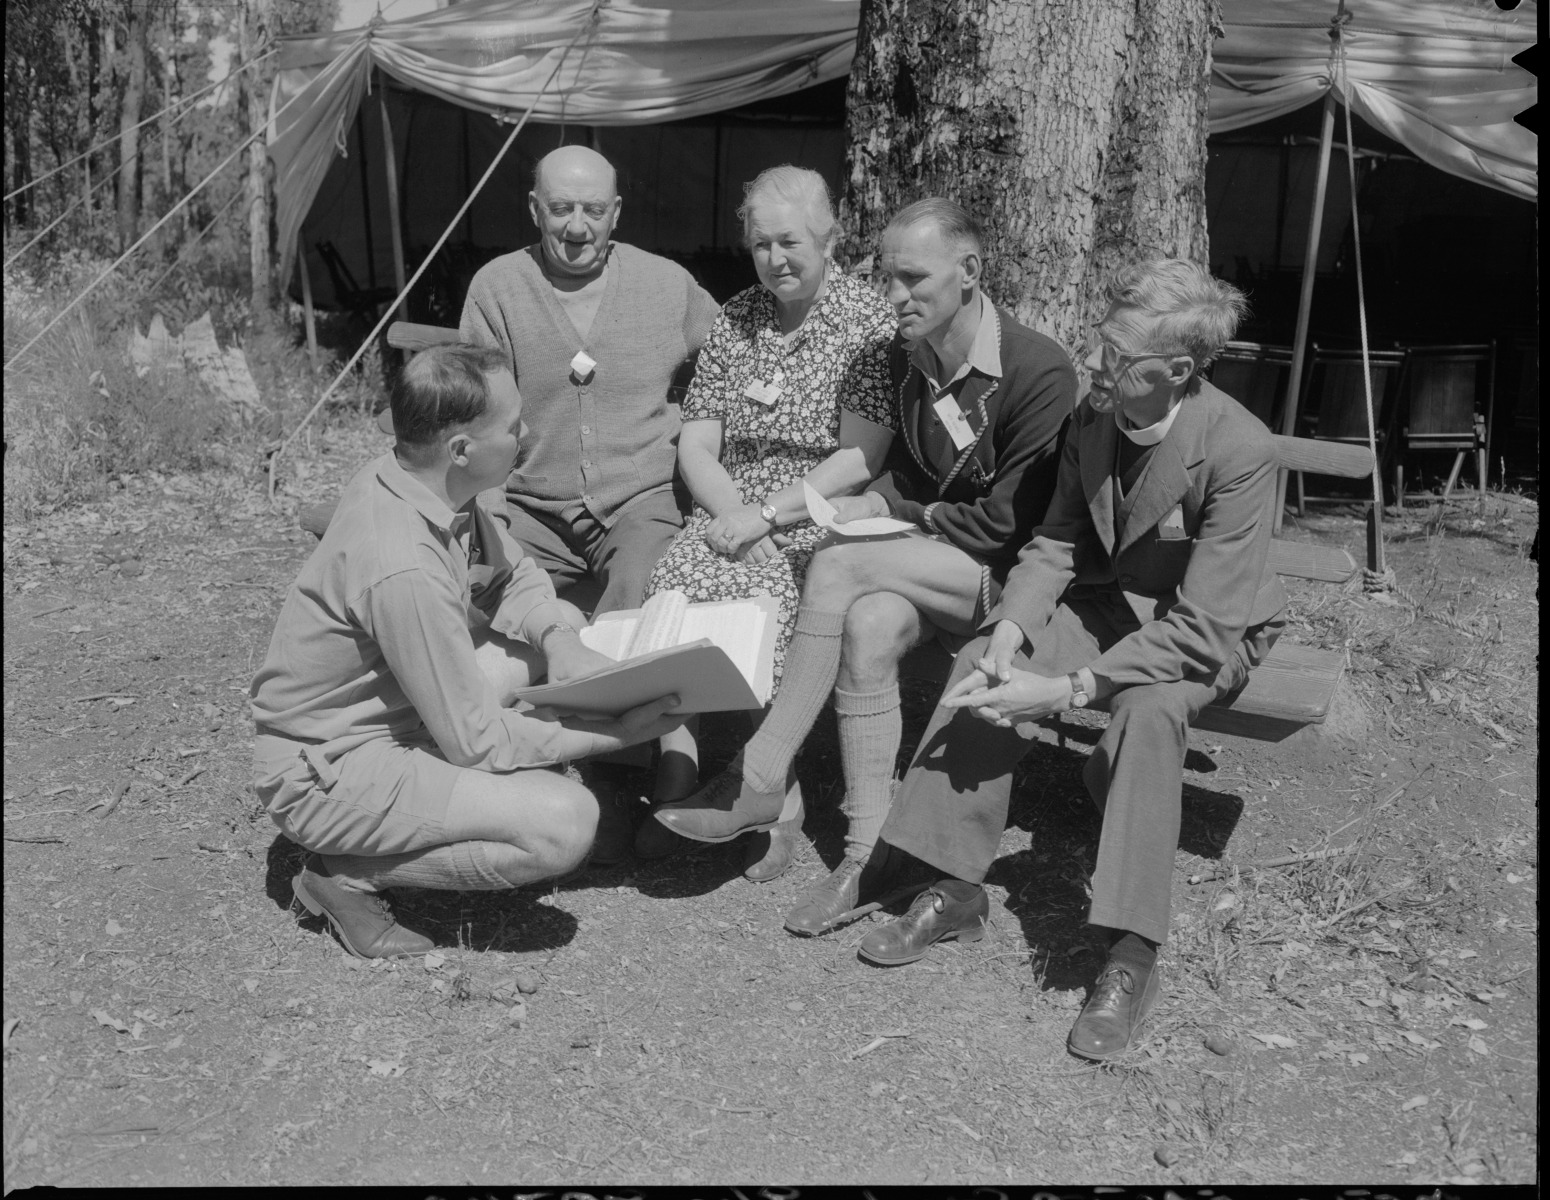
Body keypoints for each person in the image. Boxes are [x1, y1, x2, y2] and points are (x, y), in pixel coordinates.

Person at [846, 259, 1285, 1062]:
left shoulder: (1241, 451)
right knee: (983, 658)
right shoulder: (1096, 416)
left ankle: (1130, 953)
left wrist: (1068, 687)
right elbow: (1056, 540)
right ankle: (953, 883)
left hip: (1204, 633)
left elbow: (1206, 627)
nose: (1093, 362)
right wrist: (1015, 628)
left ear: (1178, 371)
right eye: (1099, 342)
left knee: (1148, 714)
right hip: (1115, 606)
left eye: (1117, 354)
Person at [654, 198, 1076, 936]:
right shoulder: (905, 358)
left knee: (840, 567)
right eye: (887, 279)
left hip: (1010, 585)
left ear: (971, 272)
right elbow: (909, 476)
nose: (895, 297)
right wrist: (870, 502)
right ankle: (867, 855)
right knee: (871, 623)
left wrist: (892, 518)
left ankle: (759, 772)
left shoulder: (1037, 370)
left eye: (914, 278)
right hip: (932, 567)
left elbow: (1013, 526)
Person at [251, 344, 683, 960]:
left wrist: (560, 641)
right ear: (462, 450)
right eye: (512, 426)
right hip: (331, 767)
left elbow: (512, 574)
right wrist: (614, 730)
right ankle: (344, 874)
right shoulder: (403, 565)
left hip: (386, 721)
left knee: (543, 630)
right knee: (564, 825)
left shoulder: (418, 482)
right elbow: (476, 743)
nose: (526, 433)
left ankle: (426, 807)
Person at [636, 165, 899, 880]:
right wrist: (730, 517)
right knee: (676, 579)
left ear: (829, 237)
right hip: (731, 505)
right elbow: (698, 441)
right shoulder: (738, 316)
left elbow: (859, 455)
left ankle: (773, 794)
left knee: (771, 591)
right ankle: (675, 773)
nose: (775, 259)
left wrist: (762, 520)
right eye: (761, 245)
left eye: (791, 242)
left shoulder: (866, 322)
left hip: (813, 506)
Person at [459, 144, 720, 815]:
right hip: (530, 499)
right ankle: (572, 762)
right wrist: (483, 516)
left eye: (593, 210)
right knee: (487, 576)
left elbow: (729, 357)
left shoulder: (666, 285)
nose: (578, 226)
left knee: (643, 573)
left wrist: (711, 442)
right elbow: (474, 410)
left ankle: (632, 762)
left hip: (640, 492)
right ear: (535, 209)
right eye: (563, 208)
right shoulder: (498, 288)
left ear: (616, 214)